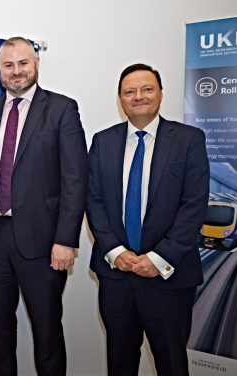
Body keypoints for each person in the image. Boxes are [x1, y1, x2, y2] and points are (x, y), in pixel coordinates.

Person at [0, 37, 88, 375]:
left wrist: (66, 239)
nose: (16, 71)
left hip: (44, 241)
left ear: (36, 65)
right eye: (8, 65)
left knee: (46, 331)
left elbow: (75, 179)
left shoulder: (62, 108)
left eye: (23, 63)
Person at [86, 63, 209, 375]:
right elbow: (94, 200)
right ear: (120, 99)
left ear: (160, 95)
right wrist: (114, 251)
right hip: (117, 276)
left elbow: (193, 206)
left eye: (146, 89)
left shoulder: (189, 139)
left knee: (171, 364)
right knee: (120, 363)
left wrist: (159, 257)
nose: (138, 96)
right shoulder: (103, 141)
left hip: (169, 276)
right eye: (130, 91)